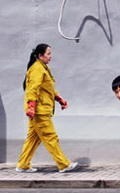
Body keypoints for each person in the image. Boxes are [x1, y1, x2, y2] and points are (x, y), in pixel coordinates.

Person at [16, 43, 79, 173]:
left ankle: (23, 165)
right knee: (51, 137)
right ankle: (63, 164)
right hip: (39, 111)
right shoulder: (37, 69)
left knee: (33, 138)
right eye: (48, 54)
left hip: (41, 109)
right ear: (40, 55)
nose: (51, 56)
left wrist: (60, 99)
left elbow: (48, 89)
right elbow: (33, 90)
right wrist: (31, 107)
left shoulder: (42, 68)